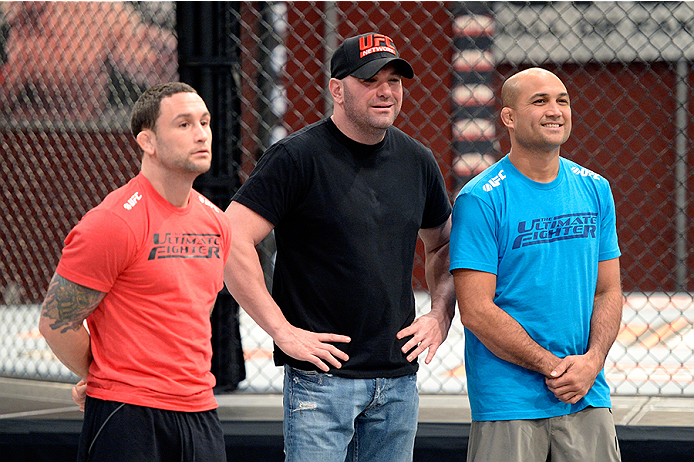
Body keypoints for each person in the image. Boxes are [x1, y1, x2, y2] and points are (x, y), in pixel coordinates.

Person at [223, 32, 456, 462]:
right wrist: (281, 331)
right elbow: (231, 238)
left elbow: (441, 245)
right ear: (337, 89)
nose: (386, 91)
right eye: (370, 80)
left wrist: (441, 314)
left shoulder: (417, 160)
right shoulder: (297, 157)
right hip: (321, 382)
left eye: (395, 80)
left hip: (399, 381)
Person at [38, 82, 230, 462]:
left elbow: (193, 309)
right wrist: (100, 374)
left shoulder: (216, 222)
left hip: (201, 412)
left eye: (205, 122)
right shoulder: (113, 222)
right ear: (148, 141)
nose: (201, 134)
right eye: (184, 124)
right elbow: (56, 321)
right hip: (127, 416)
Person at [449, 67, 623, 462]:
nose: (555, 110)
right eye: (540, 101)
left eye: (562, 100)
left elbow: (608, 289)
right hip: (509, 402)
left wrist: (592, 363)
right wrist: (555, 368)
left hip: (586, 394)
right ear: (508, 118)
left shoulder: (595, 189)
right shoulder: (481, 200)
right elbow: (475, 310)